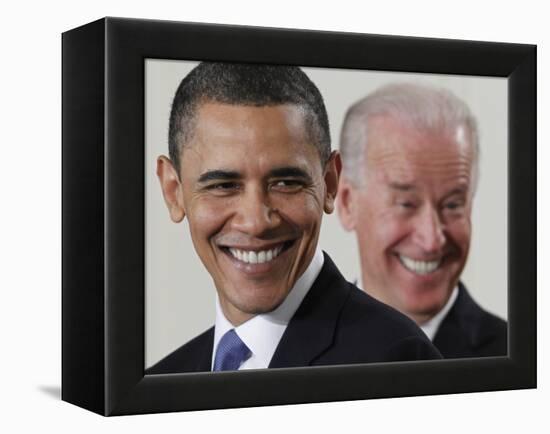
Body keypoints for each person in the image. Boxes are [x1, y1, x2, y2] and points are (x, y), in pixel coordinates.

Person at [147, 63, 441, 374]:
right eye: (223, 186)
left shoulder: (397, 363)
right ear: (173, 190)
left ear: (329, 183)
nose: (256, 221)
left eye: (285, 183)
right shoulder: (160, 381)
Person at [337, 83, 507, 359]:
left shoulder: (528, 359)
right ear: (346, 203)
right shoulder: (288, 351)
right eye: (406, 204)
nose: (432, 240)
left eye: (452, 205)